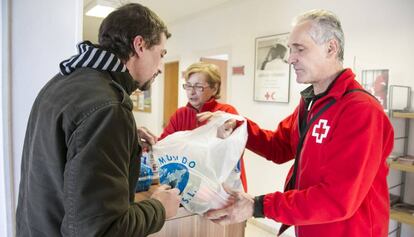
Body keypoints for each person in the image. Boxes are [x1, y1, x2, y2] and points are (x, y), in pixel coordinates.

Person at [204, 9, 394, 237]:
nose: (290, 58)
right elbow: (279, 146)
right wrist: (238, 125)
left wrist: (258, 205)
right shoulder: (312, 102)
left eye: (300, 49)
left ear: (331, 48)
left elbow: (338, 199)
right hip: (311, 227)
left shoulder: (360, 110)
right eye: (290, 49)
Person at [16, 3, 180, 237]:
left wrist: (126, 139)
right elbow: (102, 230)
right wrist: (160, 208)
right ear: (140, 45)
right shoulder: (107, 107)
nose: (160, 67)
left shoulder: (61, 83)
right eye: (161, 54)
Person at [159, 61, 248, 192]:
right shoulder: (180, 114)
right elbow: (164, 145)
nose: (192, 92)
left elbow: (236, 150)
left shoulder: (226, 112)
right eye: (188, 86)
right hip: (191, 186)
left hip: (222, 187)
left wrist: (225, 129)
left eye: (198, 87)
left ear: (214, 88)